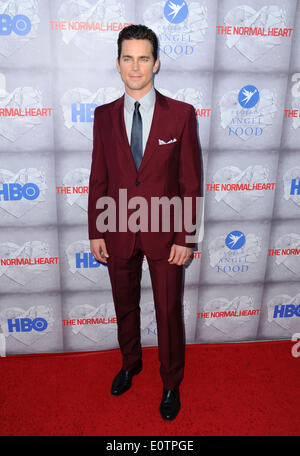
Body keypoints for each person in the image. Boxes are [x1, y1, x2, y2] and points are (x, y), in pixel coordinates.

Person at [88, 24, 203, 421]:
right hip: (116, 229)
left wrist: (186, 237)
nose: (135, 67)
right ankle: (130, 363)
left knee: (168, 310)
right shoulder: (103, 117)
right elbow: (98, 177)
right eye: (127, 58)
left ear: (156, 64)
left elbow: (191, 180)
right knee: (125, 305)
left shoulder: (182, 115)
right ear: (118, 64)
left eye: (143, 58)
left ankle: (171, 382)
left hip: (166, 234)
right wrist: (95, 230)